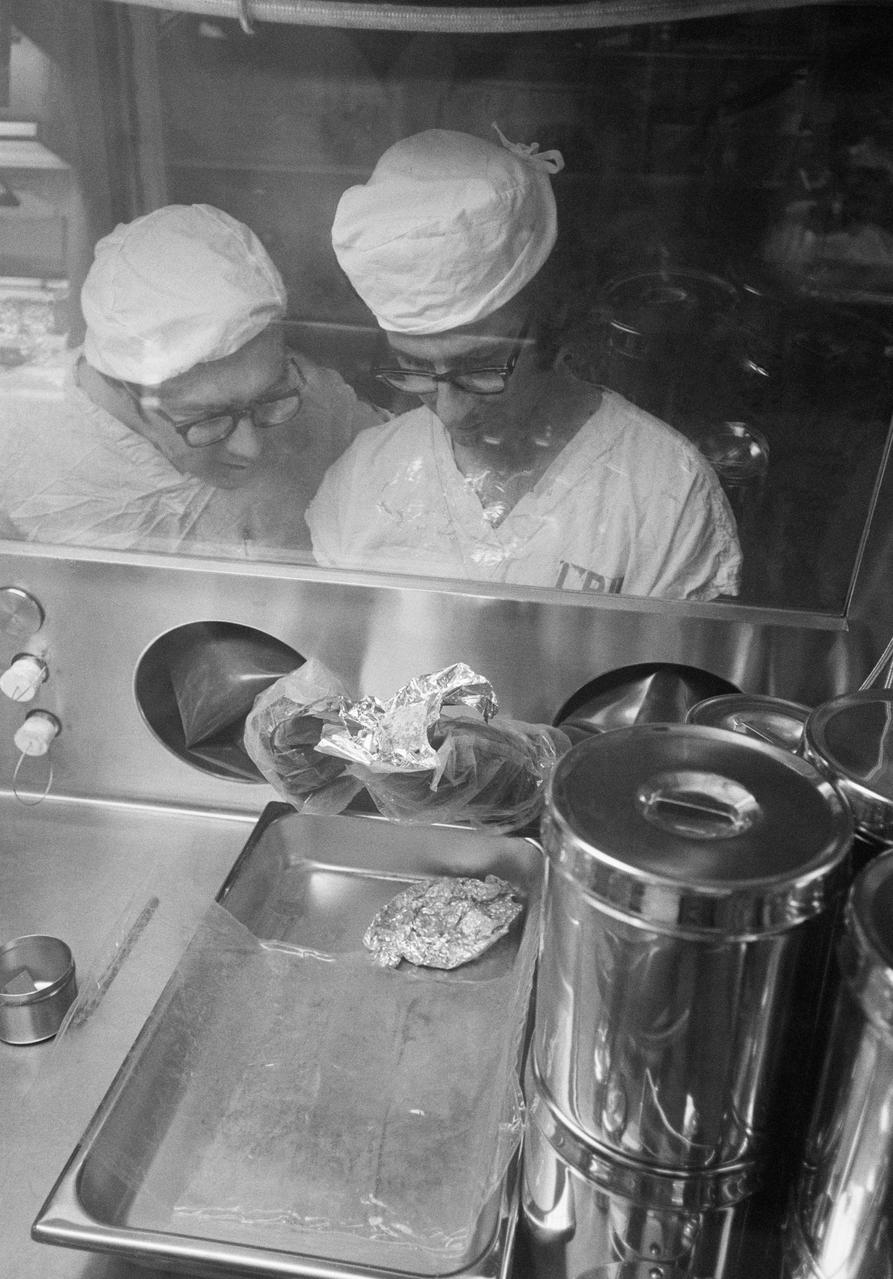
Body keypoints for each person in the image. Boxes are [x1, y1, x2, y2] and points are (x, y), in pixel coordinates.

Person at [306, 129, 742, 600]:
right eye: (414, 367)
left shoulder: (663, 492)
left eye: (480, 367)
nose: (450, 411)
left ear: (552, 324)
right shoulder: (364, 479)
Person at [0, 203, 384, 555]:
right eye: (208, 418)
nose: (250, 449)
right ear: (120, 387)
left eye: (266, 399)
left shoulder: (314, 400)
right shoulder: (16, 443)